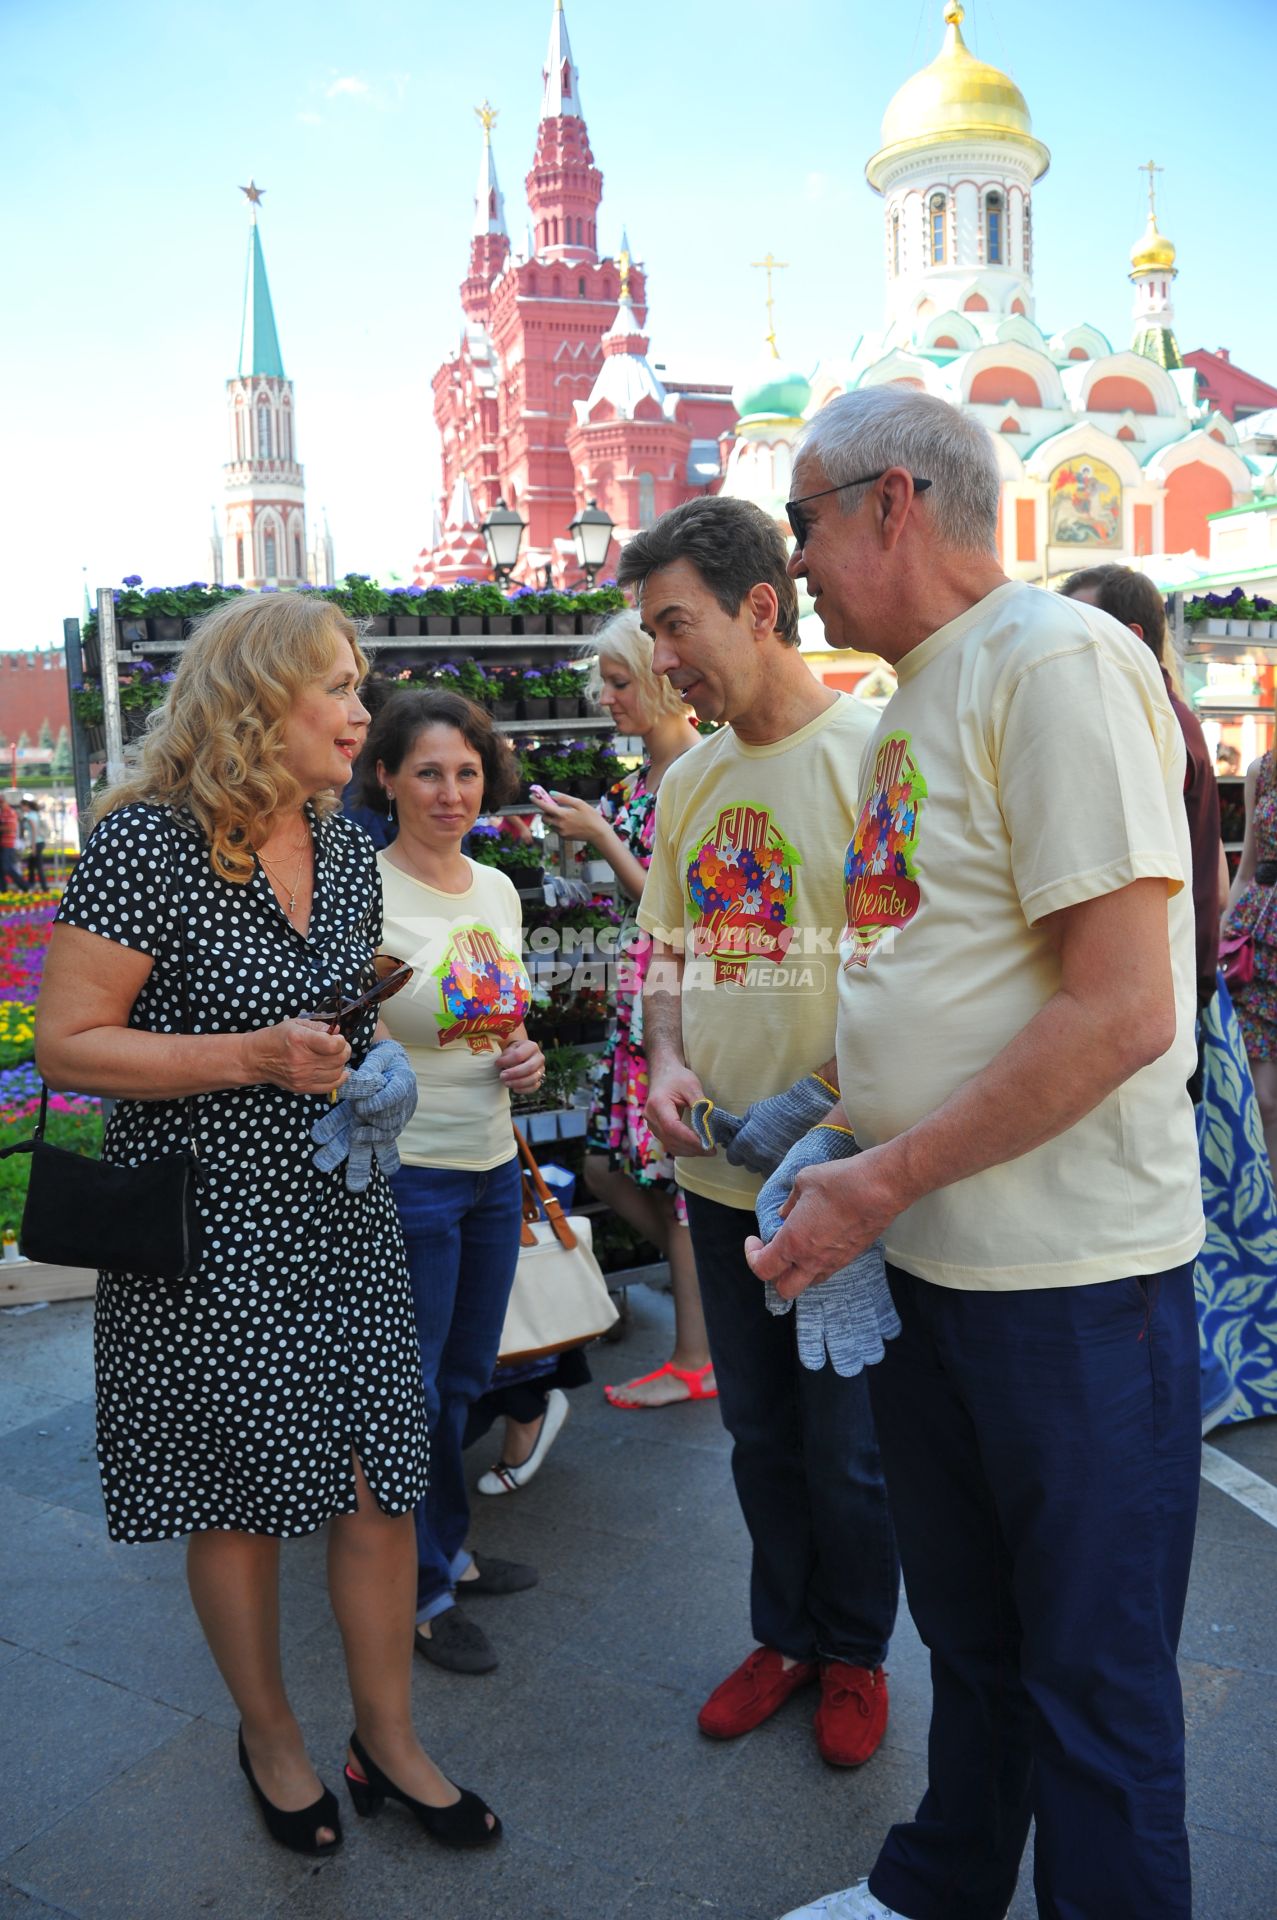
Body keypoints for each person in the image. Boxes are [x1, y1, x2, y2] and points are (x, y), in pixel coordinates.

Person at [753, 388, 1204, 1920]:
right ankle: (938, 1887)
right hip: (933, 1262)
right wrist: (836, 1134)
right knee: (974, 1634)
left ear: (890, 503)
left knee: (1092, 1677)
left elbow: (1122, 1011)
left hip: (1067, 1282)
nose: (794, 558)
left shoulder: (1056, 661)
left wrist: (877, 1174)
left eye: (804, 518)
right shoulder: (911, 699)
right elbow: (922, 974)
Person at [36, 595, 499, 1859]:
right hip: (204, 1224)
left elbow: (334, 1016)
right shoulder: (146, 846)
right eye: (339, 688)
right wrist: (246, 1054)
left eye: (361, 686)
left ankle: (390, 1742)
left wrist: (368, 1064)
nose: (363, 711)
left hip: (341, 1208)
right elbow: (66, 1048)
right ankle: (273, 1737)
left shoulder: (344, 846)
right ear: (256, 699)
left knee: (378, 1484)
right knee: (233, 1498)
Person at [618, 495, 900, 1769]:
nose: (661, 659)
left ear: (760, 608)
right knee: (758, 1436)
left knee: (847, 1453)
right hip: (718, 1175)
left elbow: (922, 972)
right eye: (650, 632)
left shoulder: (877, 753)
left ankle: (853, 1655)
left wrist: (819, 1104)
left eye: (675, 625)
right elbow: (666, 946)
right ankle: (782, 1634)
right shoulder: (689, 782)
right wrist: (667, 1058)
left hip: (838, 1181)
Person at [359, 688, 548, 1677]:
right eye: (427, 771)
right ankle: (420, 1587)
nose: (448, 791)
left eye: (465, 772)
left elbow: (497, 1018)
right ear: (384, 775)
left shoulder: (495, 890)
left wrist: (523, 1058)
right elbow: (363, 1037)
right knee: (419, 1388)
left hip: (485, 1166)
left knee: (468, 1378)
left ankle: (449, 1550)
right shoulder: (366, 892)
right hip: (410, 1173)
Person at [532, 608, 714, 1409]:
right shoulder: (635, 781)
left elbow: (688, 914)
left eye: (616, 683)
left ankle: (696, 1353)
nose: (606, 699)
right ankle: (707, 1284)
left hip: (676, 1000)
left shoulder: (704, 772)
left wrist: (603, 838)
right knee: (610, 1167)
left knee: (673, 1178)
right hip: (633, 999)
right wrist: (574, 851)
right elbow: (623, 901)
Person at [1221, 746, 1277, 1175]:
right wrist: (1220, 937)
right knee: (1263, 1098)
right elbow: (1246, 870)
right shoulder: (1263, 770)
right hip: (1261, 941)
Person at [20, 798, 48, 890]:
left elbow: (34, 831)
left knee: (38, 866)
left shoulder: (30, 816)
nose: (21, 808)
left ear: (26, 806)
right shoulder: (34, 814)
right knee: (31, 865)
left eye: (22, 806)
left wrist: (33, 847)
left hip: (36, 843)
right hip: (39, 842)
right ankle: (31, 884)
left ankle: (44, 887)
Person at [0, 794, 24, 892]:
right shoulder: (2, 813)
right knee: (2, 868)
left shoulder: (10, 812)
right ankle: (3, 889)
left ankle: (24, 885)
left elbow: (11, 828)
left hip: (8, 844)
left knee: (7, 867)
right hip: (2, 844)